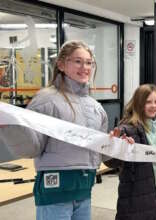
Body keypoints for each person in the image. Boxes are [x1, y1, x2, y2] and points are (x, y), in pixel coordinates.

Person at [0, 40, 109, 220]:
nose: (85, 67)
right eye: (78, 61)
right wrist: (10, 127)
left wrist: (117, 145)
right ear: (61, 64)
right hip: (55, 191)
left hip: (84, 189)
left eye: (89, 62)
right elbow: (32, 148)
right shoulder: (45, 100)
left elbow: (100, 154)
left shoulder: (96, 108)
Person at [111, 84, 156, 220]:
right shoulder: (126, 128)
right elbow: (111, 162)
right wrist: (116, 146)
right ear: (139, 103)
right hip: (135, 199)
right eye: (148, 102)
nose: (154, 106)